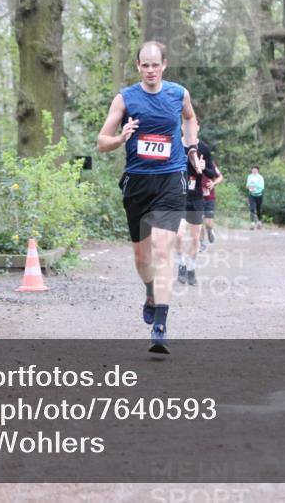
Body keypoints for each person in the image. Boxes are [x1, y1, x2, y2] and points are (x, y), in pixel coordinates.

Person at [97, 41, 202, 354]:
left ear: (164, 65)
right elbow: (102, 141)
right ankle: (150, 292)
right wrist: (121, 137)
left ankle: (161, 323)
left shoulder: (178, 93)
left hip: (171, 178)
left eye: (156, 64)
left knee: (162, 249)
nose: (151, 70)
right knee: (142, 259)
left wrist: (191, 147)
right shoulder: (125, 98)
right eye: (145, 65)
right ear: (138, 66)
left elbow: (190, 118)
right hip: (138, 183)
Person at [176, 121, 217, 286]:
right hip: (178, 196)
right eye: (186, 126)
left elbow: (212, 173)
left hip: (196, 198)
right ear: (181, 128)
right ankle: (181, 264)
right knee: (178, 235)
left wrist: (203, 168)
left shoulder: (204, 148)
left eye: (192, 126)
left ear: (198, 128)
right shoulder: (175, 145)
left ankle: (191, 268)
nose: (189, 128)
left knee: (194, 238)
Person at [199, 162, 223, 252]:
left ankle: (209, 230)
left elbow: (220, 177)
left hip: (209, 198)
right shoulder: (191, 161)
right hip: (197, 198)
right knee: (198, 222)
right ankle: (202, 243)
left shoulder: (211, 164)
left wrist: (213, 183)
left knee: (208, 223)